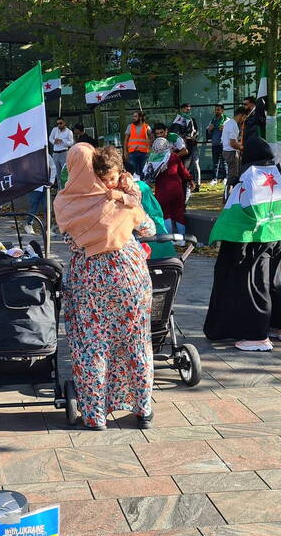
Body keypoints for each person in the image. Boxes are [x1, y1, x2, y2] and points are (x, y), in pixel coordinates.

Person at [55, 144, 155, 430]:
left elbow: (72, 242)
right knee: (135, 341)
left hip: (88, 279)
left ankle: (95, 415)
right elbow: (149, 230)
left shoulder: (66, 202)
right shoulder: (121, 199)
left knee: (92, 346)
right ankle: (143, 409)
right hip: (129, 275)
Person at [203, 135, 281, 351]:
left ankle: (256, 336)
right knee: (273, 281)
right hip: (276, 232)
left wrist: (237, 248)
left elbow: (240, 212)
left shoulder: (249, 176)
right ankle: (278, 327)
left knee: (255, 284)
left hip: (252, 238)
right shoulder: (275, 172)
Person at [144, 138, 192, 236]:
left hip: (162, 191)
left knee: (166, 214)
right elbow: (183, 171)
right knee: (179, 214)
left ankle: (169, 238)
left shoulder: (152, 159)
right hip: (176, 189)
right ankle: (182, 239)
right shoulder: (174, 156)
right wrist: (190, 179)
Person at [24, 155, 58, 235]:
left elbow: (53, 167)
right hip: (34, 186)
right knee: (33, 207)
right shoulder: (31, 154)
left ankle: (48, 229)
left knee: (47, 207)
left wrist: (51, 181)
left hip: (45, 186)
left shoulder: (46, 154)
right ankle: (28, 225)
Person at [222, 107, 247, 196]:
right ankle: (227, 197)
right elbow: (233, 143)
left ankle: (229, 196)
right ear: (240, 115)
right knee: (233, 176)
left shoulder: (228, 123)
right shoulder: (233, 125)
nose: (244, 120)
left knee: (233, 175)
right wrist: (243, 148)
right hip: (231, 152)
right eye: (244, 117)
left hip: (227, 151)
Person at [176, 104, 202, 187]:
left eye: (189, 110)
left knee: (196, 163)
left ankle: (198, 184)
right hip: (185, 146)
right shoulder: (178, 120)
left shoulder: (192, 119)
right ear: (182, 109)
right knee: (186, 165)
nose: (188, 111)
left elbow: (197, 131)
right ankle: (185, 183)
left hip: (193, 145)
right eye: (187, 109)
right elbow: (176, 132)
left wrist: (194, 136)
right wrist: (183, 138)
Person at [123, 111, 152, 177]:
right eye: (133, 116)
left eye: (135, 116)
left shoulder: (146, 127)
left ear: (140, 117)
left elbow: (152, 138)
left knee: (144, 171)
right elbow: (126, 140)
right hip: (132, 153)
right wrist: (125, 151)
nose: (133, 118)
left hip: (144, 153)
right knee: (134, 173)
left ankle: (143, 185)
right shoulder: (130, 126)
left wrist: (150, 142)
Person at [207, 104, 228, 184]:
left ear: (222, 111)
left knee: (224, 162)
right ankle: (214, 179)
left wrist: (225, 128)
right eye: (215, 110)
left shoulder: (226, 120)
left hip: (223, 144)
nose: (216, 111)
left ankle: (225, 177)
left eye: (218, 110)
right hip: (215, 144)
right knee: (215, 162)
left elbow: (230, 131)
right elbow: (208, 132)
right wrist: (209, 129)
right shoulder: (213, 120)